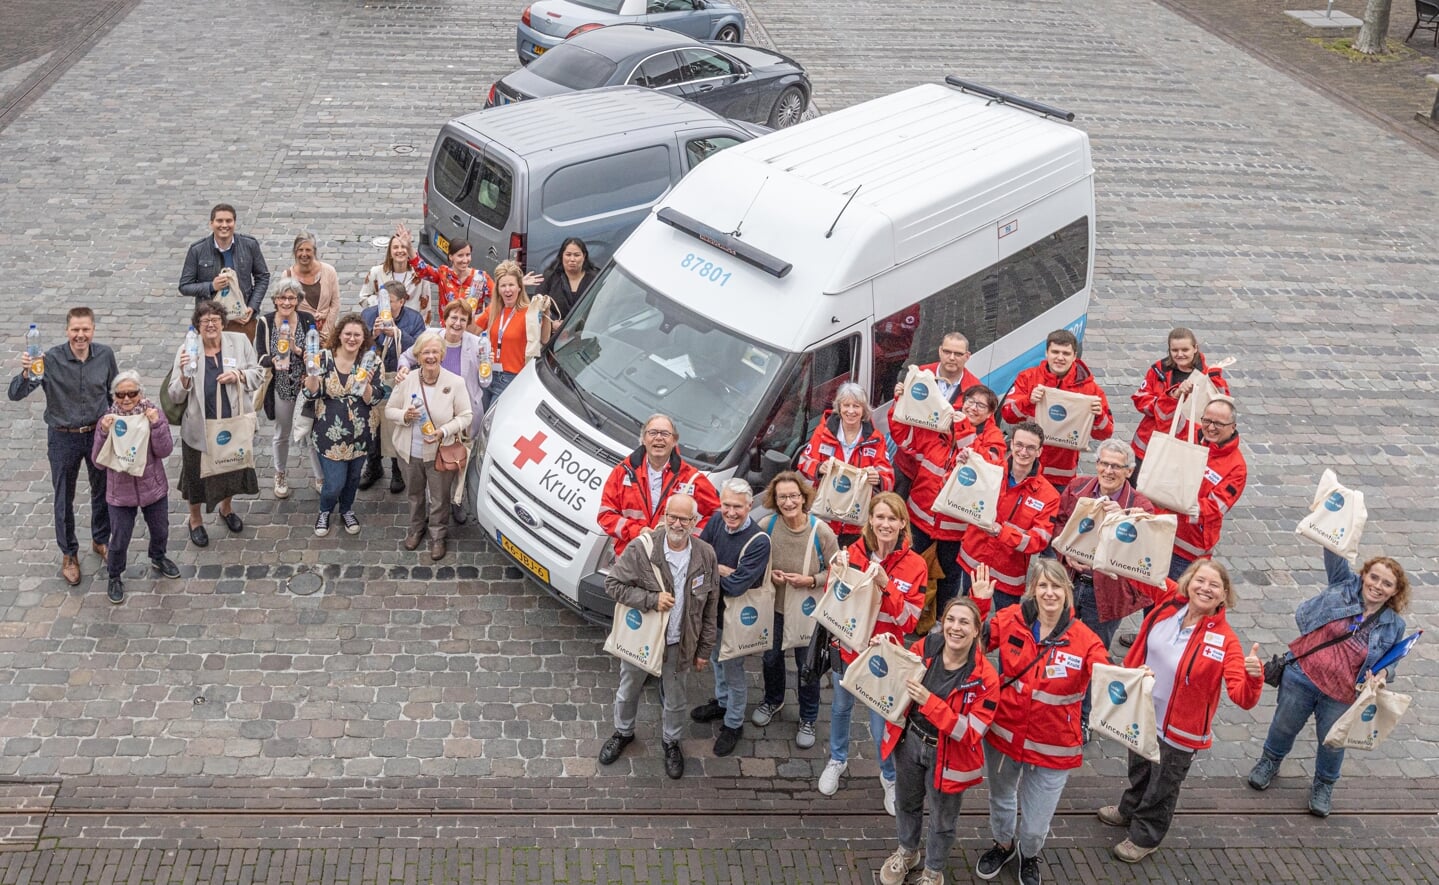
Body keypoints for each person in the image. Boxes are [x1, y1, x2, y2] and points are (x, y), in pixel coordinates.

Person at [1098, 558, 1264, 864]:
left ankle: (1145, 836)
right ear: (1188, 582)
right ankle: (1130, 808)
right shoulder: (1168, 602)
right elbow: (1138, 570)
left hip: (1180, 732)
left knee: (1162, 785)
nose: (1205, 588)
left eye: (1215, 585)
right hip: (1142, 712)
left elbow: (1242, 698)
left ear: (1224, 595)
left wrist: (1254, 676)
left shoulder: (1226, 642)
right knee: (1139, 768)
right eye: (1200, 580)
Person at [974, 559, 1108, 885]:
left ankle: (1029, 853)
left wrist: (1134, 678)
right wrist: (979, 604)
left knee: (1035, 824)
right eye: (1042, 586)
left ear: (1067, 592)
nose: (1049, 593)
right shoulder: (1009, 620)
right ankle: (1003, 845)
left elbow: (1110, 677)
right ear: (1032, 591)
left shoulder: (1085, 640)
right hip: (1004, 736)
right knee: (1001, 799)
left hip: (1054, 745)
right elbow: (970, 647)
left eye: (1056, 586)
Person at [1248, 550, 1410, 817]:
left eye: (1387, 583)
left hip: (1343, 694)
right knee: (1284, 726)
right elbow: (1334, 549)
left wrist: (1383, 674)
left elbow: (1392, 659)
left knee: (1333, 742)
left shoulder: (1395, 625)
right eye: (1374, 577)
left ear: (1395, 592)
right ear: (1363, 576)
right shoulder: (1343, 585)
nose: (1377, 586)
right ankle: (1269, 761)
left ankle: (1324, 784)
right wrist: (1341, 514)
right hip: (1302, 676)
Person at [875, 597, 998, 885]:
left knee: (943, 818)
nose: (955, 628)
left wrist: (930, 703)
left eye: (964, 622)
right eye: (950, 620)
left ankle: (933, 870)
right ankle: (907, 852)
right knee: (906, 803)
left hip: (950, 755)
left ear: (977, 630)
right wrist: (884, 646)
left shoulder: (985, 679)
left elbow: (971, 732)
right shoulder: (927, 647)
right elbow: (901, 665)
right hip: (910, 742)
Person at [818, 492, 926, 817]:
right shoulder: (852, 552)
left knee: (882, 723)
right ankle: (837, 759)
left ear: (903, 524)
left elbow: (910, 619)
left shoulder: (915, 565)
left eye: (892, 518)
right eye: (879, 517)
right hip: (848, 651)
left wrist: (886, 585)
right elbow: (834, 602)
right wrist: (835, 574)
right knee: (840, 708)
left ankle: (889, 776)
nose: (885, 524)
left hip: (885, 658)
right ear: (870, 521)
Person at [599, 493, 720, 779]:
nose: (677, 524)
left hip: (680, 643)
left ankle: (671, 742)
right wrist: (651, 600)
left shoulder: (706, 555)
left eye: (684, 519)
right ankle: (623, 732)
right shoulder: (641, 549)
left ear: (695, 522)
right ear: (664, 516)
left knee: (677, 699)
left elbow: (711, 607)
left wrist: (704, 650)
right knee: (628, 689)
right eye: (672, 517)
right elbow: (612, 584)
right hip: (643, 640)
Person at [8, 307, 117, 586]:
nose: (80, 335)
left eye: (86, 329)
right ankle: (69, 553)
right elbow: (16, 395)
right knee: (63, 497)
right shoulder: (49, 360)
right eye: (75, 330)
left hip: (96, 434)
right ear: (67, 331)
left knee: (102, 490)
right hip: (63, 436)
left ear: (93, 330)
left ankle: (100, 539)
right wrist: (24, 373)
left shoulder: (105, 355)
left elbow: (112, 393)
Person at [891, 385, 1006, 613]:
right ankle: (902, 612)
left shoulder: (994, 439)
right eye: (970, 401)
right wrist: (901, 403)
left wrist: (963, 430)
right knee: (906, 567)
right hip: (920, 516)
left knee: (949, 577)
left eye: (980, 405)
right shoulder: (943, 420)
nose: (973, 407)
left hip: (955, 528)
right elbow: (906, 437)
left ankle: (941, 620)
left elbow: (987, 469)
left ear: (990, 413)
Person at [750, 472, 840, 748]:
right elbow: (754, 561)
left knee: (807, 667)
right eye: (782, 497)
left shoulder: (821, 531)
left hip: (807, 612)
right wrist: (769, 575)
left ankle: (808, 716)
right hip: (775, 609)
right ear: (774, 501)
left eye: (793, 496)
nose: (788, 502)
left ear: (803, 497)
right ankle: (773, 700)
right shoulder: (766, 525)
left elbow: (837, 572)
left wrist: (811, 580)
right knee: (770, 659)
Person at [169, 301, 262, 548]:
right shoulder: (187, 350)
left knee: (231, 470)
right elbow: (175, 396)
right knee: (195, 478)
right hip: (200, 427)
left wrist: (239, 375)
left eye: (215, 320)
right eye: (204, 321)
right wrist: (183, 377)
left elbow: (258, 374)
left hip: (232, 424)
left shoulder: (239, 343)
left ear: (223, 322)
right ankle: (196, 520)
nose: (211, 325)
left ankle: (226, 508)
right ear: (197, 326)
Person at [690, 479, 771, 757]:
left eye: (738, 506)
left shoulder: (759, 541)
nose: (731, 512)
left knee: (734, 670)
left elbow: (737, 586)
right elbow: (698, 558)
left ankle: (733, 723)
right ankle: (722, 703)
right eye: (726, 505)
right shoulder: (715, 520)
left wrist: (717, 572)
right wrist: (722, 571)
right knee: (715, 660)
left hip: (736, 619)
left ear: (750, 506)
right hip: (712, 614)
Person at [1054, 440, 1155, 653]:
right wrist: (1065, 553)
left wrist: (1122, 519)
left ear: (1129, 472)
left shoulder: (1141, 507)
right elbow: (1059, 523)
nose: (1108, 471)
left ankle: (1090, 687)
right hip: (1069, 583)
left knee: (1093, 653)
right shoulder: (1076, 487)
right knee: (1056, 643)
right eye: (1104, 463)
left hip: (1105, 594)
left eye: (1116, 466)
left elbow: (1144, 554)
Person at [397, 299, 492, 524]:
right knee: (434, 461)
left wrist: (484, 369)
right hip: (431, 413)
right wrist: (402, 369)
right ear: (445, 319)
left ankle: (456, 500)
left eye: (463, 319)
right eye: (453, 318)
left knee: (459, 460)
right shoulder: (431, 337)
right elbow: (407, 356)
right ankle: (436, 501)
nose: (457, 323)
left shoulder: (478, 344)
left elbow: (485, 383)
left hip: (462, 414)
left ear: (468, 323)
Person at [90, 372, 179, 604]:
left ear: (141, 394)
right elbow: (98, 462)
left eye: (132, 393)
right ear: (114, 396)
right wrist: (102, 433)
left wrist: (157, 425)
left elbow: (165, 450)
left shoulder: (153, 414)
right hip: (120, 493)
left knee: (160, 529)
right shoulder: (108, 420)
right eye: (121, 394)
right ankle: (114, 574)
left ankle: (158, 557)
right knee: (119, 539)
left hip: (153, 487)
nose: (127, 399)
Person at [386, 332, 472, 561]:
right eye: (426, 352)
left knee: (439, 497)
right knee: (414, 494)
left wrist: (443, 431)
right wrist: (405, 415)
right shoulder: (407, 380)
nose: (431, 356)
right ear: (418, 356)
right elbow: (389, 410)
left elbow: (466, 416)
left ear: (442, 355)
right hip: (410, 451)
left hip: (439, 453)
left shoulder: (455, 383)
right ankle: (416, 529)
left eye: (435, 352)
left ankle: (438, 535)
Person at [957, 421, 1060, 611]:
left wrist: (1001, 532)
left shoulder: (1049, 495)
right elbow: (960, 494)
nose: (1023, 452)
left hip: (1008, 574)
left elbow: (1039, 541)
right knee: (966, 615)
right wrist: (961, 468)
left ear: (1039, 451)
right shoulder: (989, 470)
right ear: (1011, 444)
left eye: (1031, 447)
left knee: (1004, 624)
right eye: (1019, 445)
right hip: (974, 560)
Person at [302, 314, 388, 538]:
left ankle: (347, 509)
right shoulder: (322, 357)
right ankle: (325, 510)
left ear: (364, 338)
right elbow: (311, 393)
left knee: (352, 479)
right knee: (334, 483)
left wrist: (367, 382)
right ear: (339, 335)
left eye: (357, 335)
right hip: (329, 434)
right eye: (347, 334)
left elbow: (375, 398)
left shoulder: (372, 361)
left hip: (362, 433)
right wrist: (310, 373)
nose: (352, 338)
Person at [999, 329, 1114, 487]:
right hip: (1024, 467)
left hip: (1060, 476)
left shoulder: (1090, 390)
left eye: (1066, 353)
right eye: (1055, 352)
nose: (1060, 358)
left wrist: (1098, 415)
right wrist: (1028, 401)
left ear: (1074, 356)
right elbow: (1007, 415)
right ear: (1047, 353)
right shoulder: (1027, 378)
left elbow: (1105, 433)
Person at [597, 414, 719, 556]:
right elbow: (605, 515)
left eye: (665, 434)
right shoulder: (623, 472)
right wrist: (639, 531)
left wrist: (691, 538)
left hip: (669, 563)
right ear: (643, 439)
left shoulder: (691, 478)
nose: (659, 437)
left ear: (674, 441)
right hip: (630, 559)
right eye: (653, 433)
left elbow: (719, 513)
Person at [797, 382, 894, 545]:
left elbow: (889, 477)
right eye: (846, 405)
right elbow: (803, 462)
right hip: (824, 517)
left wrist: (877, 477)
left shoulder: (875, 439)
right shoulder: (823, 432)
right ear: (838, 407)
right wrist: (819, 468)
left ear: (864, 409)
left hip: (855, 523)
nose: (850, 411)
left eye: (856, 406)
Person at [1129, 327, 1229, 480]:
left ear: (1195, 348)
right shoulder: (1158, 370)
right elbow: (1140, 399)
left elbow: (1223, 407)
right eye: (1174, 350)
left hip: (1182, 447)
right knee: (1135, 490)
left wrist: (1216, 379)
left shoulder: (1207, 376)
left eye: (1185, 349)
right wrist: (1166, 400)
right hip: (1148, 444)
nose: (1180, 354)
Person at [253, 279, 321, 500]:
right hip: (281, 386)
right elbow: (260, 356)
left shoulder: (307, 320)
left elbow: (315, 355)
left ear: (298, 300)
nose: (287, 302)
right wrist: (274, 360)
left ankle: (320, 477)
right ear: (275, 300)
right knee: (282, 433)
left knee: (311, 433)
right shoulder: (265, 322)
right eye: (282, 298)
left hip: (304, 386)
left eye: (291, 298)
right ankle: (280, 474)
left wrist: (296, 349)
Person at [891, 333, 980, 500]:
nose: (951, 358)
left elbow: (976, 434)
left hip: (937, 472)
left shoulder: (975, 390)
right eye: (947, 352)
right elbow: (897, 421)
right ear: (939, 351)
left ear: (967, 356)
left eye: (958, 354)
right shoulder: (918, 376)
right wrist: (898, 401)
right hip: (907, 465)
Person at [359, 282, 427, 494]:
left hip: (400, 378)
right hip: (374, 378)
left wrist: (397, 333)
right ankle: (374, 464)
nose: (384, 305)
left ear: (401, 301)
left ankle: (397, 469)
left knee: (397, 422)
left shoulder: (414, 319)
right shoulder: (368, 315)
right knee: (373, 423)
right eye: (382, 300)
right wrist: (375, 333)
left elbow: (420, 349)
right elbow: (357, 345)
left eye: (389, 301)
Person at [1170, 394, 1246, 579]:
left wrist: (1170, 501)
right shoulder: (1192, 435)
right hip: (1161, 532)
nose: (1211, 427)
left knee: (1174, 602)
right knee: (1151, 599)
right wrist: (1177, 394)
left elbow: (1214, 508)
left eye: (1218, 424)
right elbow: (1165, 418)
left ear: (1233, 427)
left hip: (1187, 549)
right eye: (1207, 420)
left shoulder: (1237, 468)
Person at [178, 203, 270, 337]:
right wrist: (211, 286)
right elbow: (184, 286)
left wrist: (252, 306)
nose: (224, 225)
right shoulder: (197, 250)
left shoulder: (249, 245)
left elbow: (263, 276)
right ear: (211, 223)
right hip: (209, 321)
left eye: (229, 221)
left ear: (234, 223)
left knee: (242, 357)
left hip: (242, 320)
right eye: (219, 221)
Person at [396, 222, 495, 323]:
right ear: (451, 257)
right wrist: (408, 248)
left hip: (471, 331)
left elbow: (500, 298)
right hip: (448, 330)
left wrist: (483, 316)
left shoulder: (481, 278)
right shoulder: (444, 273)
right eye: (460, 255)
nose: (465, 260)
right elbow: (422, 269)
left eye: (468, 255)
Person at [483, 260, 552, 403]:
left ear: (519, 287)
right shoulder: (493, 310)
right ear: (498, 289)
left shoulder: (529, 312)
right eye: (503, 285)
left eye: (511, 285)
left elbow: (544, 340)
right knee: (480, 420)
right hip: (487, 373)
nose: (507, 290)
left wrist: (547, 313)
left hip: (510, 378)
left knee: (493, 421)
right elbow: (472, 329)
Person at [279, 232, 341, 333]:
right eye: (300, 250)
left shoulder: (329, 271)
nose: (304, 254)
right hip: (300, 331)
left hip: (328, 332)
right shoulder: (287, 276)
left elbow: (335, 304)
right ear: (295, 252)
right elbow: (285, 308)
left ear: (314, 251)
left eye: (308, 250)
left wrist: (326, 332)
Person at [357, 234, 427, 321]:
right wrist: (382, 303)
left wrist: (423, 330)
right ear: (390, 253)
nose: (400, 250)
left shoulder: (420, 275)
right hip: (382, 322)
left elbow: (426, 308)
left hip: (410, 325)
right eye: (395, 247)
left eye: (403, 247)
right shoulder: (376, 272)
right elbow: (363, 298)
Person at [536, 236, 598, 318]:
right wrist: (551, 324)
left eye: (577, 255)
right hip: (555, 329)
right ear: (562, 256)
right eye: (568, 255)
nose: (572, 259)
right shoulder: (550, 277)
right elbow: (537, 306)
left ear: (584, 256)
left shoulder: (595, 279)